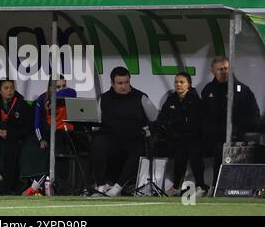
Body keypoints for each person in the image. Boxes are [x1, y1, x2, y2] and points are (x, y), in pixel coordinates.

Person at [90, 66, 158, 197]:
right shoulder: (104, 98)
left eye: (126, 82)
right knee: (97, 143)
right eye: (120, 83)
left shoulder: (140, 97)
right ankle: (101, 185)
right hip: (111, 139)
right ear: (112, 83)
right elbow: (97, 122)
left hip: (132, 138)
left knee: (137, 148)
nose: (124, 86)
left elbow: (154, 118)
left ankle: (117, 187)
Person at [201, 56, 260, 188]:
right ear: (213, 71)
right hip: (215, 138)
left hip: (238, 137)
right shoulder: (208, 90)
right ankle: (216, 188)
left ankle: (241, 188)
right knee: (217, 151)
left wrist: (243, 132)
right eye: (220, 69)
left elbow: (253, 115)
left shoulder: (242, 90)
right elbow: (203, 116)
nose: (224, 72)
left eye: (226, 69)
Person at [20, 76, 83, 196]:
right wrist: (41, 139)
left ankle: (37, 186)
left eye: (63, 86)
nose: (61, 89)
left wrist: (56, 95)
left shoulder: (70, 96)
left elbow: (71, 92)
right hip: (47, 133)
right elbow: (37, 124)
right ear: (50, 88)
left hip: (65, 134)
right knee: (30, 147)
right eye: (57, 87)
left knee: (55, 149)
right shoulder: (41, 99)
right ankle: (33, 184)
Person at [157, 72, 209, 197]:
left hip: (194, 137)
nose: (178, 85)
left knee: (194, 154)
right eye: (176, 82)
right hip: (176, 138)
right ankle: (176, 187)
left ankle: (201, 186)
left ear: (189, 84)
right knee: (179, 158)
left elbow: (194, 123)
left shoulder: (195, 100)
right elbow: (163, 118)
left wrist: (177, 124)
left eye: (182, 82)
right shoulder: (171, 99)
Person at [0, 79, 33, 195]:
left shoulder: (22, 105)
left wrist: (10, 134)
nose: (9, 91)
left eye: (11, 88)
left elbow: (27, 128)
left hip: (14, 140)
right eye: (6, 88)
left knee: (10, 149)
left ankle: (3, 180)